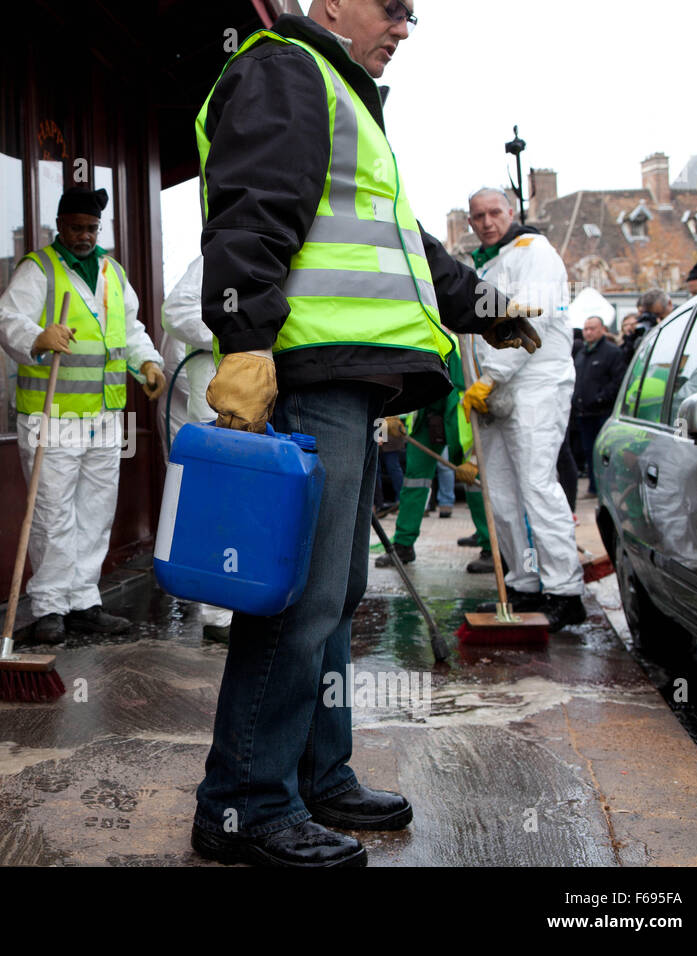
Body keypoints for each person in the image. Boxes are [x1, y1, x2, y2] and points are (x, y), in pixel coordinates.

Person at [191, 1, 542, 868]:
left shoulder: (345, 99)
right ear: (335, 0)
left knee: (335, 595)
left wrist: (485, 308)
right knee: (297, 600)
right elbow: (250, 213)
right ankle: (243, 805)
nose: (406, 26)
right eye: (394, 7)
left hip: (346, 382)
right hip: (311, 375)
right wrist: (243, 343)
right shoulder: (287, 71)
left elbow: (404, 245)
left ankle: (318, 776)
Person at [0, 186, 167, 643]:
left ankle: (83, 601)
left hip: (105, 418)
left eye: (91, 228)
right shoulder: (41, 269)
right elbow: (6, 319)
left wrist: (148, 363)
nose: (84, 235)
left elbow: (130, 331)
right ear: (60, 226)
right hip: (52, 416)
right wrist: (38, 336)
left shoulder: (112, 272)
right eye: (76, 227)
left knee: (95, 511)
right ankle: (50, 607)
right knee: (51, 513)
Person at [462, 187, 585, 630]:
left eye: (495, 212)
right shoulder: (485, 263)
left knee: (535, 484)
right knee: (501, 492)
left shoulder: (534, 252)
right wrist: (481, 382)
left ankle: (564, 590)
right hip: (492, 389)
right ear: (470, 220)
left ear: (510, 212)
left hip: (533, 382)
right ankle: (524, 579)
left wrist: (491, 375)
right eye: (478, 216)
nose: (487, 221)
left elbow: (532, 317)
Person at [158, 255, 233, 643]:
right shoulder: (216, 258)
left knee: (252, 504)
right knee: (216, 504)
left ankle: (246, 602)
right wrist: (237, 331)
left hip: (265, 403)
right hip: (215, 405)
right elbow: (177, 310)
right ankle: (219, 615)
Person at [375, 339, 488, 571]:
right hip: (427, 410)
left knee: (473, 478)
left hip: (457, 407)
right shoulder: (408, 338)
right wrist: (393, 412)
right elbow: (408, 379)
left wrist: (475, 458)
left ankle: (489, 544)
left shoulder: (454, 343)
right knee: (415, 478)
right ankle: (404, 545)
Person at [572, 315, 627, 496]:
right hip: (584, 413)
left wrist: (601, 398)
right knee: (589, 452)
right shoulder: (581, 354)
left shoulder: (612, 352)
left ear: (602, 329)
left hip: (603, 412)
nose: (588, 332)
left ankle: (610, 488)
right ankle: (594, 487)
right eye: (586, 329)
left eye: (592, 328)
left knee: (606, 452)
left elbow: (617, 381)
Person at [621, 289, 671, 361]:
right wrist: (630, 337)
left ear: (669, 303)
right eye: (642, 313)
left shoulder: (680, 320)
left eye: (658, 314)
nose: (656, 318)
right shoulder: (642, 329)